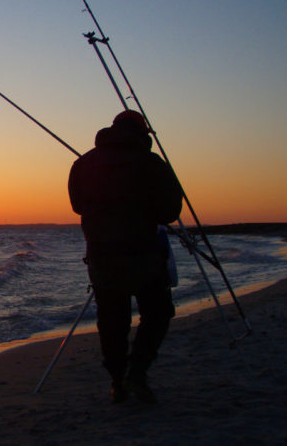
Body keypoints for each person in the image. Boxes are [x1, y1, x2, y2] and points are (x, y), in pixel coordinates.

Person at [68, 109, 182, 404]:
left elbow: (77, 205)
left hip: (102, 258)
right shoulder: (153, 164)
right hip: (143, 255)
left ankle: (117, 382)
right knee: (157, 313)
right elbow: (170, 212)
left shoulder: (83, 163)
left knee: (112, 322)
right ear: (142, 133)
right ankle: (137, 373)